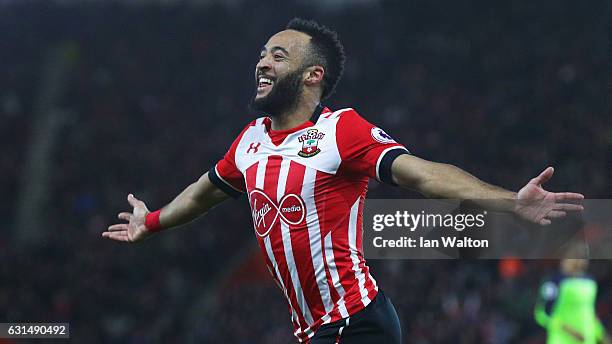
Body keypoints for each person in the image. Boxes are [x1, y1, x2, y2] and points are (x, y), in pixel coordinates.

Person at [102, 18, 584, 344]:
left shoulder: (341, 130)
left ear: (312, 75)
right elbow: (204, 192)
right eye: (262, 54)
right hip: (314, 331)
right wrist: (155, 221)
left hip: (356, 324)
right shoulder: (250, 142)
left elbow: (423, 174)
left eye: (278, 55)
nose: (262, 63)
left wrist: (508, 202)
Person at [535, 250, 610, 344]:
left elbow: (589, 313)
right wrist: (568, 330)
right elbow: (542, 314)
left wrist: (601, 334)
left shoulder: (590, 282)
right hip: (562, 340)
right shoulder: (554, 282)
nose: (579, 262)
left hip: (587, 340)